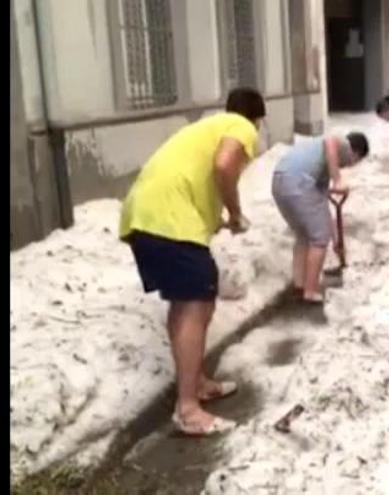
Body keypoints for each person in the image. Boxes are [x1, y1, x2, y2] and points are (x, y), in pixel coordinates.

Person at [118, 88, 265, 436]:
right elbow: (224, 165)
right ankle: (187, 409)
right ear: (257, 118)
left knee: (187, 305)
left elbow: (200, 178)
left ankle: (196, 383)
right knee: (196, 304)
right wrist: (236, 212)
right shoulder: (242, 127)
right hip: (168, 222)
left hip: (145, 217)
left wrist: (218, 218)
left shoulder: (206, 128)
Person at [271, 133, 369, 309]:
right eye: (355, 162)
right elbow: (330, 140)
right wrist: (338, 180)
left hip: (280, 182)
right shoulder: (344, 146)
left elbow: (320, 208)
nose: (350, 165)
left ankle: (300, 286)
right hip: (299, 182)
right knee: (318, 239)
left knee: (304, 235)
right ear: (356, 154)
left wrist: (336, 240)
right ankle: (311, 290)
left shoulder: (320, 166)